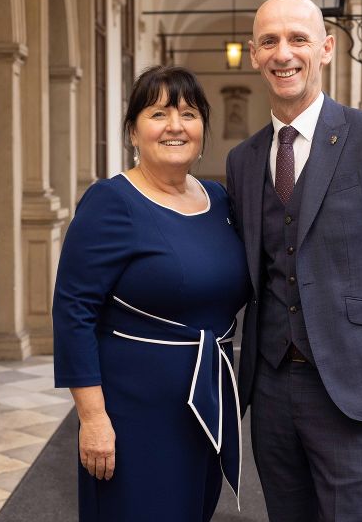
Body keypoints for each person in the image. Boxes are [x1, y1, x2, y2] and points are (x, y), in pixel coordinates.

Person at [226, 0, 362, 521]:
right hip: (270, 391)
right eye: (270, 41)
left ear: (325, 49)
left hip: (355, 390)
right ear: (254, 55)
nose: (283, 53)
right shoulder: (243, 160)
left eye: (297, 39)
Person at [53, 66, 249, 521]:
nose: (175, 126)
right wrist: (93, 418)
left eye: (189, 114)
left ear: (203, 129)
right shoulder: (111, 201)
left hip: (205, 404)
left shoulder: (219, 200)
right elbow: (73, 311)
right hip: (134, 411)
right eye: (159, 114)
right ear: (133, 132)